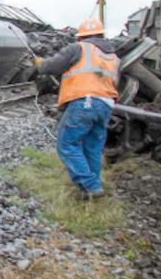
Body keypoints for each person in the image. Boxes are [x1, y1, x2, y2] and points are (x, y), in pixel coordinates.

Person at [37, 18, 119, 201]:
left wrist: (40, 63)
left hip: (84, 103)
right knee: (93, 148)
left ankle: (91, 186)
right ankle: (88, 189)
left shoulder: (78, 48)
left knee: (67, 144)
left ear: (81, 37)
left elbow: (51, 66)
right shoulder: (113, 57)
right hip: (105, 105)